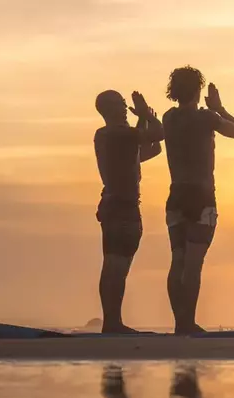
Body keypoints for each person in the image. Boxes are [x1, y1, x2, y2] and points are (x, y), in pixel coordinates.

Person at [163, 66, 234, 334]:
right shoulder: (207, 118)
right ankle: (187, 322)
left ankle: (180, 322)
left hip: (176, 194)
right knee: (193, 263)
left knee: (178, 260)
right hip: (201, 195)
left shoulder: (168, 118)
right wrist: (220, 108)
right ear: (197, 90)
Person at [94, 90, 164, 334]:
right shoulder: (117, 133)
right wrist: (145, 114)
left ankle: (111, 320)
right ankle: (112, 322)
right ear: (109, 109)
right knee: (116, 266)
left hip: (115, 204)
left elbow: (146, 150)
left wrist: (142, 121)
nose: (125, 107)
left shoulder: (108, 136)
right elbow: (159, 134)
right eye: (121, 104)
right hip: (122, 206)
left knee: (114, 265)